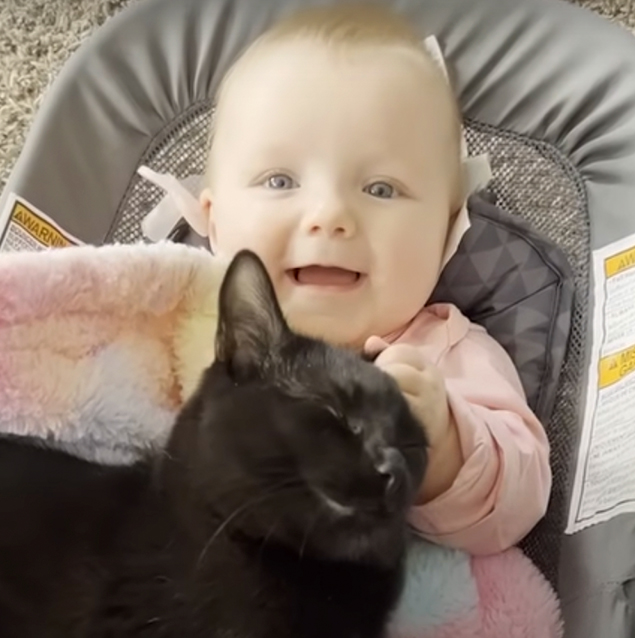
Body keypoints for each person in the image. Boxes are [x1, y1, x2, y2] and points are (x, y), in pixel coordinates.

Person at [197, 3, 551, 555]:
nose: (329, 214)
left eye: (381, 189)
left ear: (447, 231)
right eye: (280, 180)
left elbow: (521, 504)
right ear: (213, 221)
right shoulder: (177, 322)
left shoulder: (444, 354)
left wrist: (443, 441)